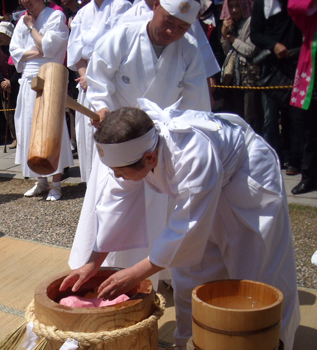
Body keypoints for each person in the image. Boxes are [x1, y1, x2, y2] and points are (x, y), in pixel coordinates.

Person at [60, 100, 300, 350]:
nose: (117, 176)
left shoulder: (192, 154)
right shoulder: (134, 150)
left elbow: (187, 228)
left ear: (150, 158)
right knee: (192, 272)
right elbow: (115, 205)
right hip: (200, 191)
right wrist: (92, 263)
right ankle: (193, 341)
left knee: (254, 268)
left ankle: (270, 340)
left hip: (245, 177)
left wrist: (135, 273)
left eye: (120, 172)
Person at [68, 0, 211, 295]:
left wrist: (172, 132)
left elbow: (197, 102)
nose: (172, 31)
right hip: (121, 138)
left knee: (160, 209)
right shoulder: (123, 34)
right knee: (114, 195)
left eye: (181, 27)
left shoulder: (190, 49)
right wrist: (103, 108)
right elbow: (98, 78)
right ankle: (100, 264)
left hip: (161, 142)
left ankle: (150, 273)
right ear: (156, 6)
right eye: (168, 21)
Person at [9, 0, 73, 201]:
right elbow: (15, 50)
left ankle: (56, 182)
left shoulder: (55, 15)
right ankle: (40, 180)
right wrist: (38, 49)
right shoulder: (22, 19)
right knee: (29, 126)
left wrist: (32, 27)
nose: (26, 2)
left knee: (51, 127)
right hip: (28, 78)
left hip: (49, 76)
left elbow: (50, 47)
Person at [67, 0, 131, 182]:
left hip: (113, 81)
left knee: (112, 135)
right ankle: (92, 188)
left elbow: (122, 48)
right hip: (87, 81)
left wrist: (95, 76)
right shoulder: (82, 13)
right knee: (89, 138)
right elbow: (76, 51)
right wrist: (85, 75)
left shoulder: (121, 5)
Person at [250, 0, 303, 175]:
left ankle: (295, 159)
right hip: (271, 67)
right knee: (270, 118)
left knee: (296, 117)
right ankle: (271, 158)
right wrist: (273, 45)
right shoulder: (261, 4)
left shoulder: (297, 3)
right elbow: (255, 35)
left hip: (295, 64)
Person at [287, 0, 317, 195]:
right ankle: (310, 177)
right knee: (310, 131)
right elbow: (295, 6)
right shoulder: (313, 18)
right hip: (314, 76)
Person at [219, 0, 263, 134]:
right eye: (231, 7)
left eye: (237, 6)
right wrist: (224, 33)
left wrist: (232, 38)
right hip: (235, 77)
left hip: (250, 76)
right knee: (238, 116)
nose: (234, 10)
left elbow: (250, 50)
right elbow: (227, 52)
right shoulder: (230, 24)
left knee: (251, 117)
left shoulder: (251, 22)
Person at [0, 21, 18, 149]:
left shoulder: (15, 48)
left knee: (18, 112)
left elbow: (19, 68)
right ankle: (14, 137)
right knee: (8, 115)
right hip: (3, 87)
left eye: (3, 34)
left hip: (16, 85)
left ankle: (21, 136)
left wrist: (11, 82)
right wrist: (3, 82)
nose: (0, 37)